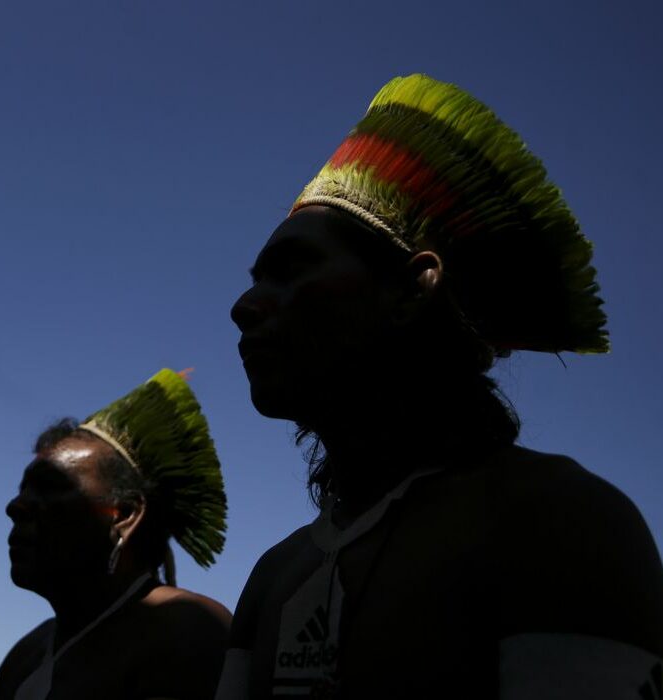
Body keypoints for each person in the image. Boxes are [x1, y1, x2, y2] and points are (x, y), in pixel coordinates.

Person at [222, 74, 663, 698]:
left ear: (411, 287)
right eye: (255, 280)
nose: (243, 305)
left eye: (292, 271)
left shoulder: (557, 522)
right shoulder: (275, 576)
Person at [0, 368, 231, 700]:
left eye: (49, 488)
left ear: (125, 515)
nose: (16, 506)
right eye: (23, 490)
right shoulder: (27, 654)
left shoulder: (185, 630)